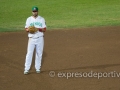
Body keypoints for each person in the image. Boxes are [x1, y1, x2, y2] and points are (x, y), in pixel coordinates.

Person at [24, 6, 46, 75]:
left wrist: (38, 29)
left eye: (35, 11)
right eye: (33, 11)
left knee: (39, 53)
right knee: (29, 54)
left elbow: (44, 29)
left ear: (37, 11)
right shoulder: (29, 19)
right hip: (31, 39)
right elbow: (26, 29)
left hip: (40, 38)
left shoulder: (41, 19)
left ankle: (38, 68)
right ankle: (26, 69)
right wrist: (29, 30)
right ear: (32, 12)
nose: (34, 12)